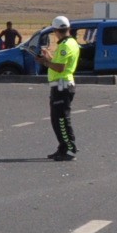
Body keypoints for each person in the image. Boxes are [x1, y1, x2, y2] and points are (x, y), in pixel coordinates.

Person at [43, 16, 81, 161]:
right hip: (61, 85)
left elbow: (60, 68)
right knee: (57, 119)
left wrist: (45, 62)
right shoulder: (70, 43)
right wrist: (49, 57)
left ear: (55, 31)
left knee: (61, 120)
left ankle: (70, 149)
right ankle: (63, 147)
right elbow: (58, 63)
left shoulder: (65, 46)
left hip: (62, 86)